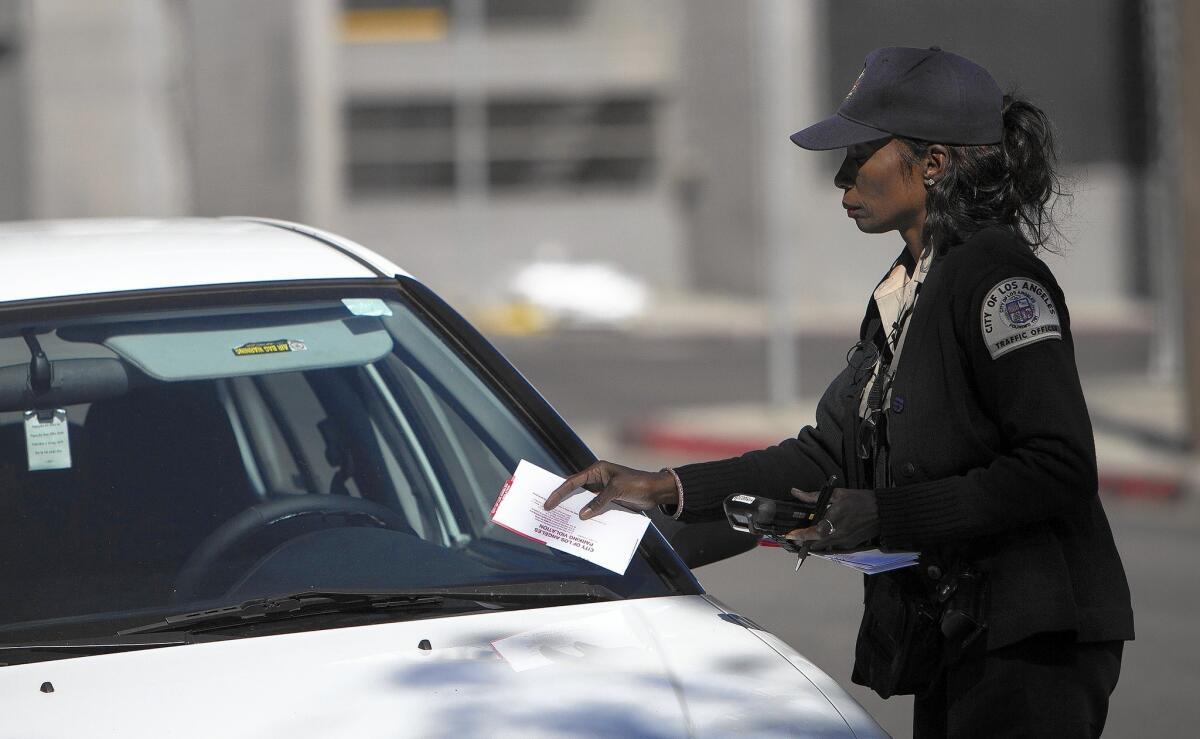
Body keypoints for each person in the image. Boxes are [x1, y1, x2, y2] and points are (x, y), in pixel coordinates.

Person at [544, 47, 1134, 737]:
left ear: (934, 164)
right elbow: (826, 454)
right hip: (963, 631)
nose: (840, 178)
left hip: (1034, 640)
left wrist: (885, 512)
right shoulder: (908, 285)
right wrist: (664, 485)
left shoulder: (999, 281)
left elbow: (1058, 466)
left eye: (860, 156)